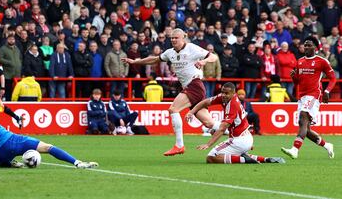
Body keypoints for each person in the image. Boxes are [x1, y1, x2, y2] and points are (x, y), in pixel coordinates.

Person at [122, 28, 218, 156]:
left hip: (195, 85)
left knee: (173, 109)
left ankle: (179, 145)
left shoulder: (191, 48)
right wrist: (135, 61)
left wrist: (204, 61)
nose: (173, 40)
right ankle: (238, 132)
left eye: (176, 38)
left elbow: (214, 57)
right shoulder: (170, 53)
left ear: (182, 38)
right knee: (209, 123)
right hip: (189, 87)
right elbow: (154, 59)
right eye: (171, 38)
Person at [0, 91, 98, 169]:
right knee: (47, 147)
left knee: (3, 163)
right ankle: (78, 163)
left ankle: (11, 163)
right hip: (10, 141)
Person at [186, 82, 285, 164]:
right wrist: (191, 112)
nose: (223, 95)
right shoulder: (224, 97)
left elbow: (222, 129)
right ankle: (266, 159)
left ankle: (244, 159)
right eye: (222, 92)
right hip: (246, 137)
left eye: (226, 93)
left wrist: (208, 144)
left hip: (239, 140)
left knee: (211, 158)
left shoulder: (232, 105)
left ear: (233, 93)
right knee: (231, 154)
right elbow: (205, 102)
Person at [281, 36, 336, 159]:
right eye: (304, 45)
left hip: (314, 95)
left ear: (315, 48)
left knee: (303, 119)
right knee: (306, 128)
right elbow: (297, 83)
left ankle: (295, 149)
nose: (305, 47)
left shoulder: (322, 61)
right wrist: (294, 77)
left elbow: (333, 78)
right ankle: (327, 145)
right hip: (303, 97)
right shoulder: (299, 61)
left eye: (308, 45)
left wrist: (327, 91)